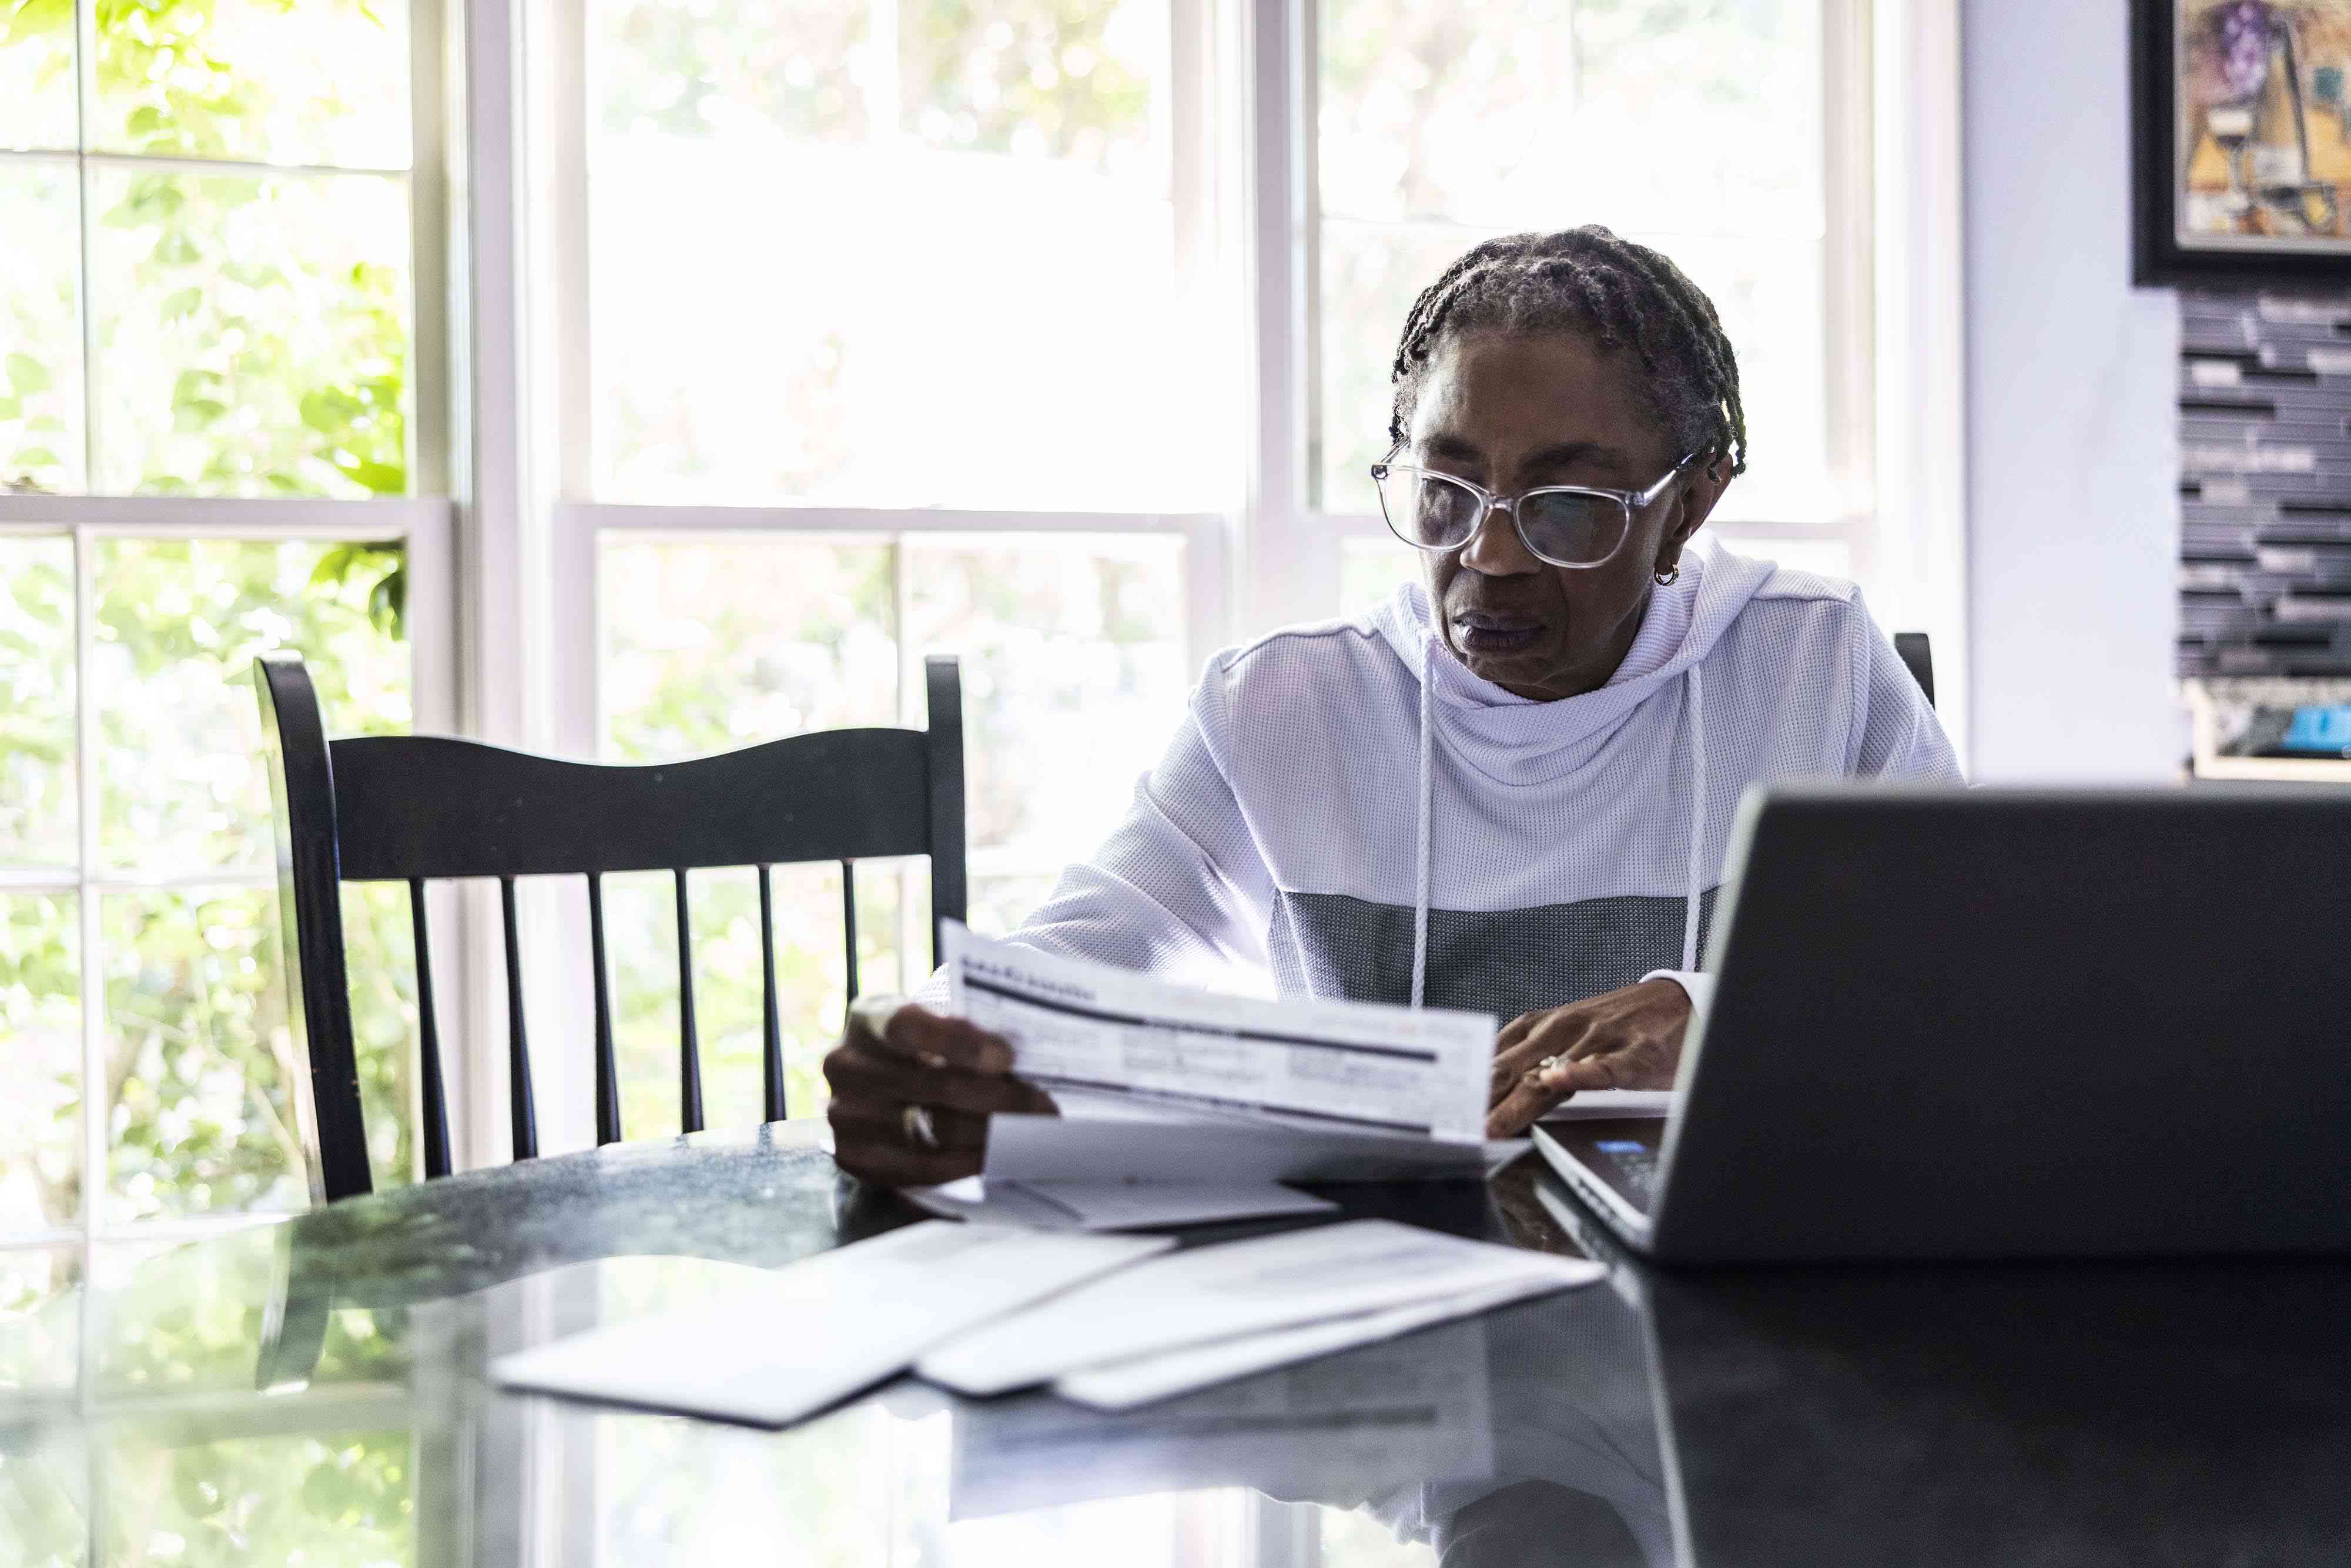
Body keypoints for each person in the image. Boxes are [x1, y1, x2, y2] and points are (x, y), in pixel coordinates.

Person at [823, 226, 1962, 1188]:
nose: (1491, 553)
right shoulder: (1281, 709)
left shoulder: (1809, 664)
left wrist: (1714, 1019)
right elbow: (1076, 964)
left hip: (1727, 1331)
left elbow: (1968, 987)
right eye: (1445, 488)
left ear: (1689, 503)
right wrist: (925, 1043)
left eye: (1566, 504)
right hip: (1387, 1353)